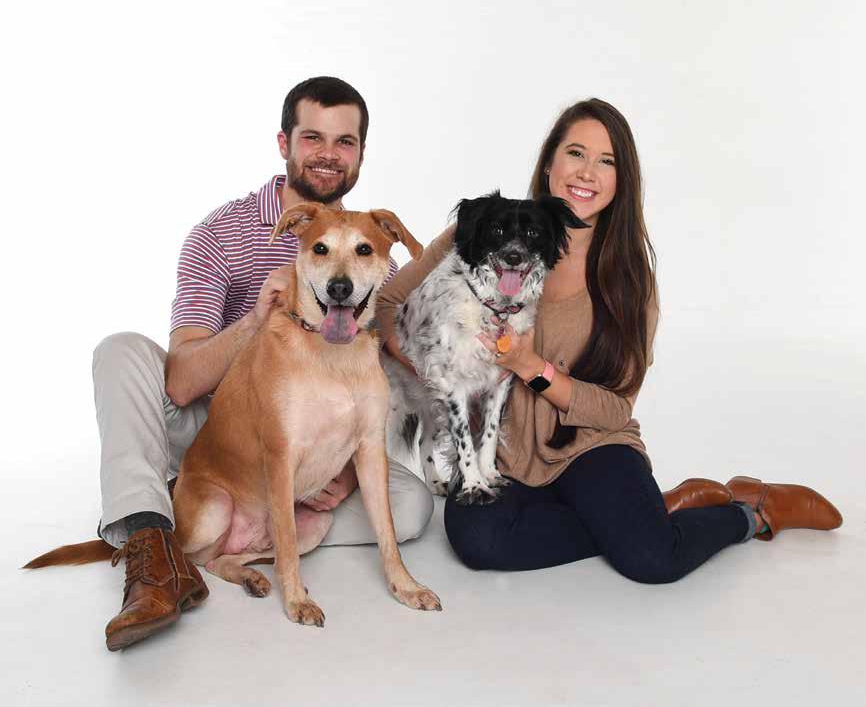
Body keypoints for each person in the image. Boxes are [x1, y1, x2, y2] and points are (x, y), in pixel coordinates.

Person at [376, 98, 842, 579]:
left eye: (607, 161)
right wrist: (429, 367)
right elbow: (388, 303)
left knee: (653, 560)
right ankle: (653, 512)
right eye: (576, 153)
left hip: (588, 445)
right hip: (501, 455)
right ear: (550, 162)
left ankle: (751, 512)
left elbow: (616, 409)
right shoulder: (481, 232)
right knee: (480, 542)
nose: (587, 173)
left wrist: (531, 367)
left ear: (622, 180)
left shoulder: (629, 280)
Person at [95, 76, 433, 649]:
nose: (328, 154)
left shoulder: (369, 248)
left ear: (360, 154)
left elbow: (380, 371)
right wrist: (256, 319)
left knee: (415, 507)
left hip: (311, 432)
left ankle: (230, 545)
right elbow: (180, 381)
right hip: (211, 423)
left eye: (345, 142)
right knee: (120, 351)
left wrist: (336, 467)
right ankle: (152, 541)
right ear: (284, 143)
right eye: (313, 137)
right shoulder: (219, 233)